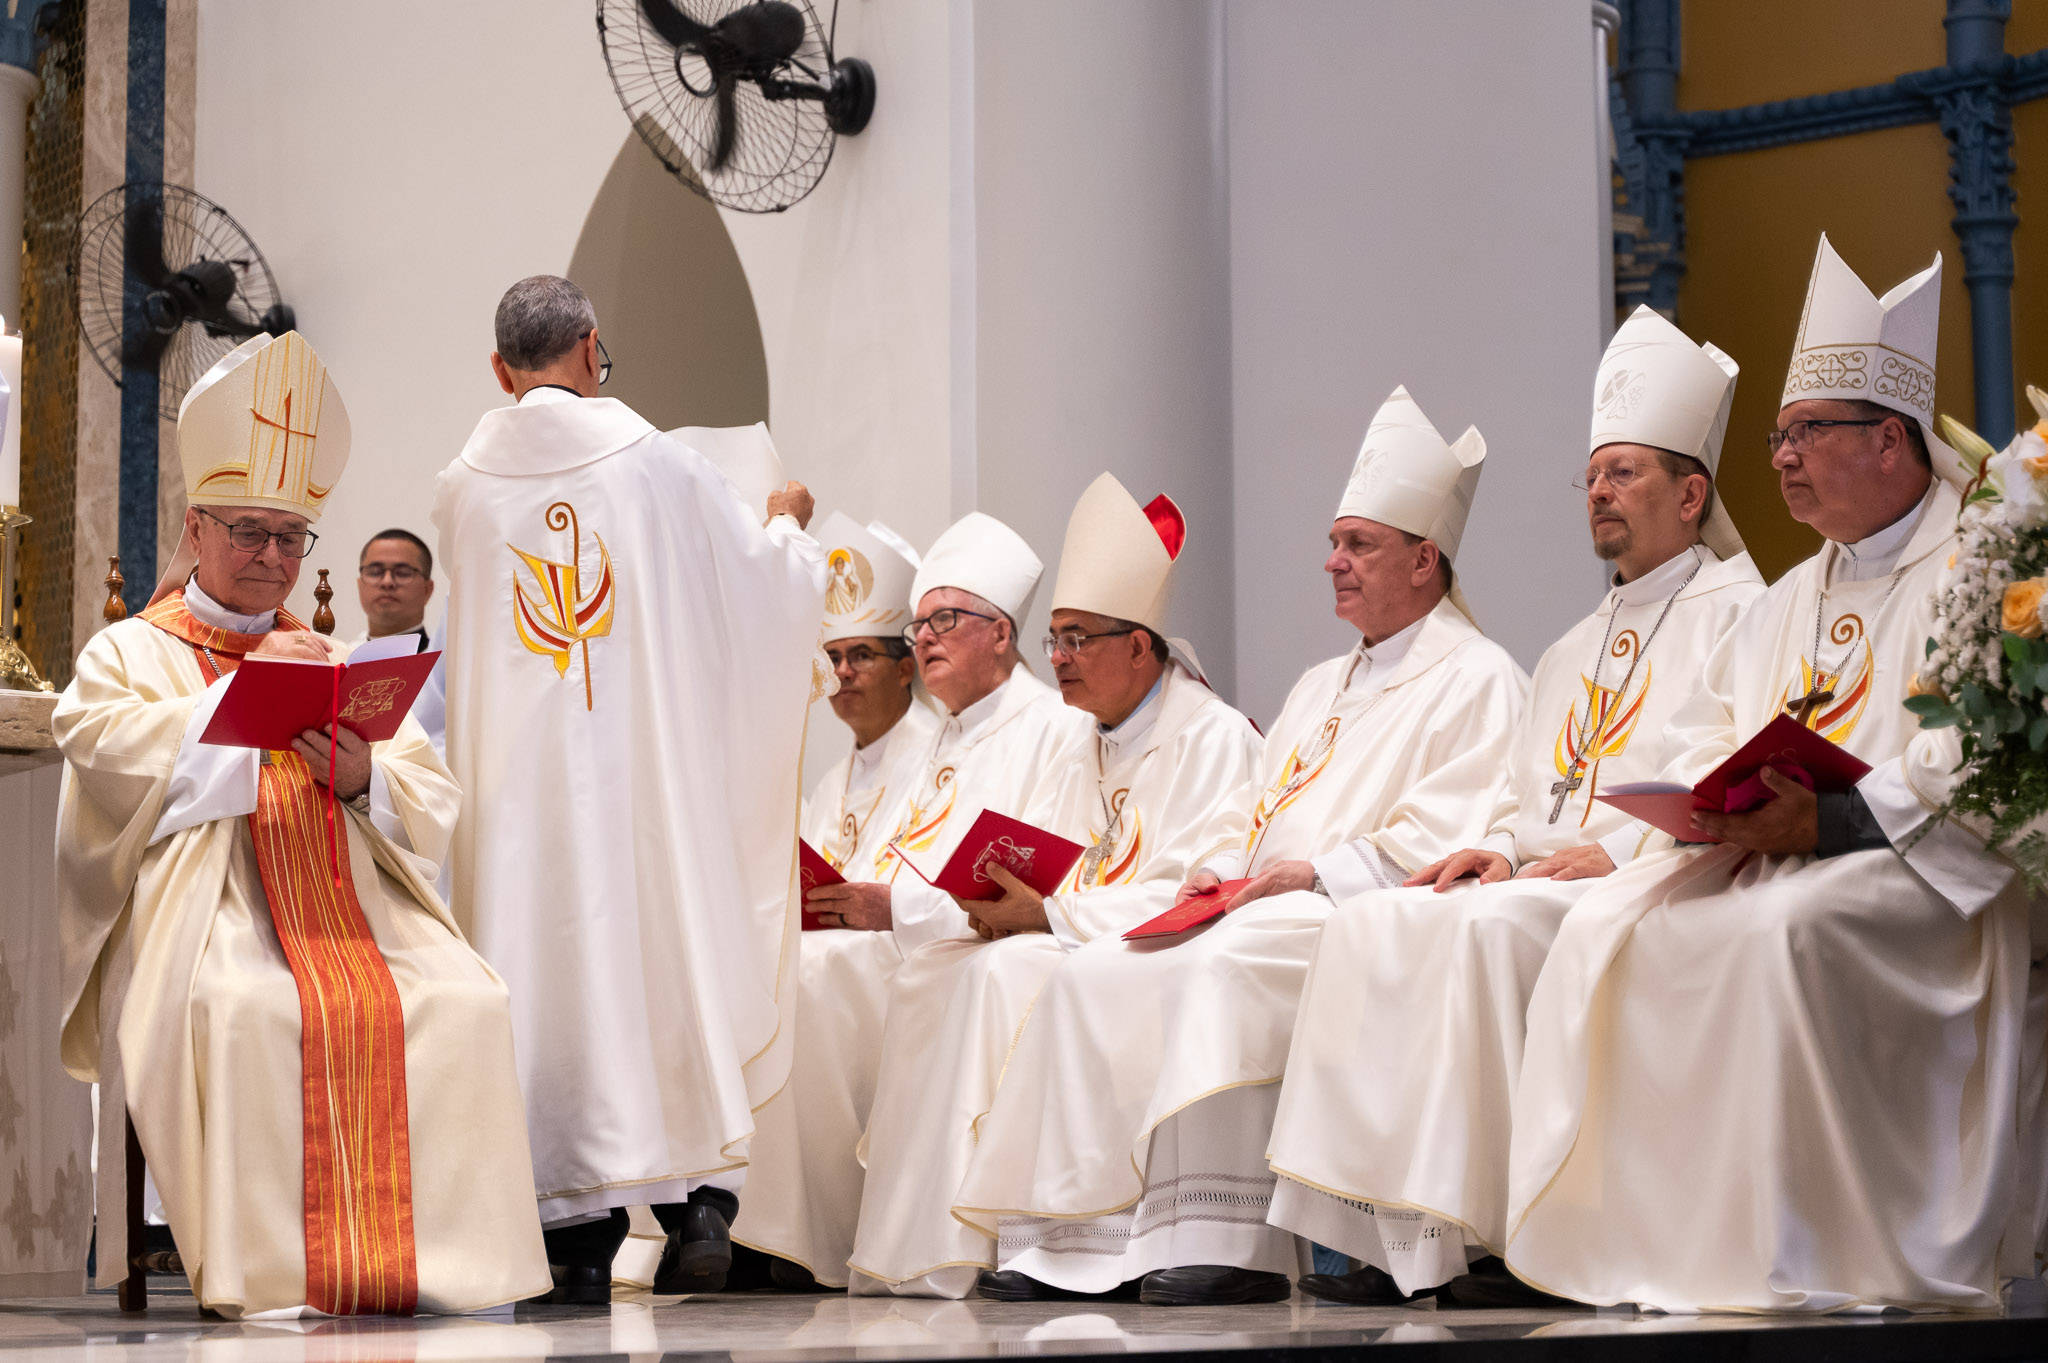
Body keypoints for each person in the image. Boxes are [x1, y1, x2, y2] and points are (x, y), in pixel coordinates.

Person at [1504, 236, 2039, 1311]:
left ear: (1888, 441)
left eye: (1806, 433)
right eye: (1778, 436)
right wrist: (1711, 806)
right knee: (1618, 926)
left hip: (1920, 874)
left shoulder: (1981, 567)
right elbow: (1703, 730)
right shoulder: (1790, 594)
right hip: (1787, 848)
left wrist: (1830, 822)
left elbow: (1981, 759)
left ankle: (1811, 1247)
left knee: (1777, 932)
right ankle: (1678, 1246)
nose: (1782, 458)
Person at [955, 388, 1528, 1306]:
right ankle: (1074, 1241)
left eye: (1358, 544)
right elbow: (1250, 813)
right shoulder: (1318, 685)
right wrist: (1219, 870)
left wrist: (1318, 872)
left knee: (1217, 968)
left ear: (1425, 559)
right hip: (1263, 902)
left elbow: (1462, 818)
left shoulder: (1478, 674)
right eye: (1334, 542)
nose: (1332, 561)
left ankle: (1230, 1239)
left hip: (1358, 910)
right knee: (1093, 972)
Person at [1264, 306, 1766, 1307]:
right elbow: (1520, 793)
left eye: (1622, 472)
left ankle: (1509, 1237)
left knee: (1486, 933)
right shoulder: (1574, 643)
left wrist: (1619, 852)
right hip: (1544, 876)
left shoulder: (1744, 612)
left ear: (1691, 493)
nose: (1597, 490)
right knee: (1378, 921)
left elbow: (1729, 769)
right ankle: (1383, 1236)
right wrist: (1497, 847)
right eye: (1592, 475)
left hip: (1658, 880)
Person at [51, 331, 548, 1317]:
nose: (274, 558)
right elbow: (98, 749)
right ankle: (277, 1272)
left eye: (292, 538)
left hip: (352, 917)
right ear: (196, 528)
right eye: (251, 533)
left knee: (468, 1001)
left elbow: (429, 790)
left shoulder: (333, 655)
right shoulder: (130, 652)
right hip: (211, 916)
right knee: (246, 1010)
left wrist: (365, 776)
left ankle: (438, 1269)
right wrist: (231, 713)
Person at [432, 275, 828, 1305]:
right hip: (640, 791)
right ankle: (697, 1205)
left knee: (542, 977)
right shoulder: (658, 462)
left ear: (499, 370)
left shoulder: (459, 487)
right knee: (665, 950)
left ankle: (570, 1239)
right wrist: (788, 527)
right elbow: (760, 594)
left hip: (516, 811)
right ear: (591, 347)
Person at [848, 475, 1263, 1298]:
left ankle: (1062, 1237)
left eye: (1077, 639)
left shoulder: (1212, 737)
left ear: (1139, 646)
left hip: (1156, 947)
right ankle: (947, 1238)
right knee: (936, 971)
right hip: (1074, 932)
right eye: (1057, 639)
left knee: (1011, 974)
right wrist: (996, 904)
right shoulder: (1080, 740)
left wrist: (1051, 915)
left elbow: (1201, 884)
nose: (1059, 658)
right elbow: (1034, 856)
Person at [727, 513, 939, 1291]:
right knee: (751, 972)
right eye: (834, 657)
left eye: (862, 656)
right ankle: (752, 1220)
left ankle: (810, 1229)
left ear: (906, 667)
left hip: (902, 947)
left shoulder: (940, 755)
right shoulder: (832, 777)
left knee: (804, 979)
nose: (842, 673)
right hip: (841, 945)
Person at [351, 529, 436, 652]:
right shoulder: (339, 658)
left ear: (427, 590)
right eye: (375, 572)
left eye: (403, 573)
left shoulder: (448, 661)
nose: (387, 582)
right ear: (360, 585)